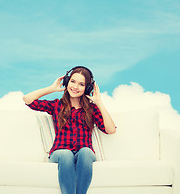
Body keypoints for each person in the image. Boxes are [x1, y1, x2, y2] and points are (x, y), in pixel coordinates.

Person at [23, 66, 116, 194]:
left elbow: (110, 130)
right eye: (72, 81)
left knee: (86, 152)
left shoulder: (91, 109)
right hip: (60, 153)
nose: (75, 87)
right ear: (67, 82)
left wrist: (99, 102)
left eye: (81, 84)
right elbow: (28, 100)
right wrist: (51, 89)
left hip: (83, 154)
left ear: (88, 88)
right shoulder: (57, 105)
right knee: (66, 154)